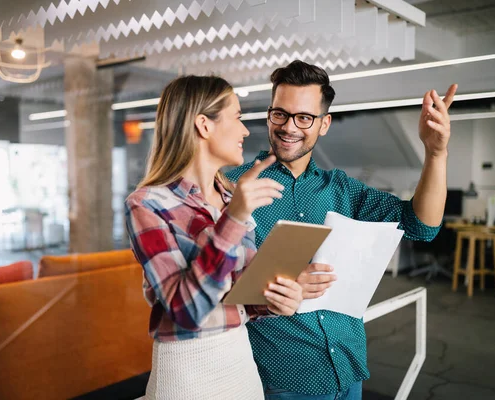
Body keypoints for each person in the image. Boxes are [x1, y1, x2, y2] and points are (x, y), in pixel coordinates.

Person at [226, 60, 457, 400]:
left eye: (304, 117)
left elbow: (421, 226)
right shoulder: (233, 186)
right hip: (282, 377)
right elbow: (211, 283)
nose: (289, 127)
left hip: (346, 368)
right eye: (280, 114)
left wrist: (436, 153)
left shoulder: (342, 189)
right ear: (269, 115)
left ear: (324, 124)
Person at [125, 75, 304, 400]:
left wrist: (277, 300)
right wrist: (234, 218)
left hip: (240, 365)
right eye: (236, 117)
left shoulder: (232, 196)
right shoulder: (147, 204)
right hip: (185, 374)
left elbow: (241, 298)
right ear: (204, 126)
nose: (245, 130)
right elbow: (186, 310)